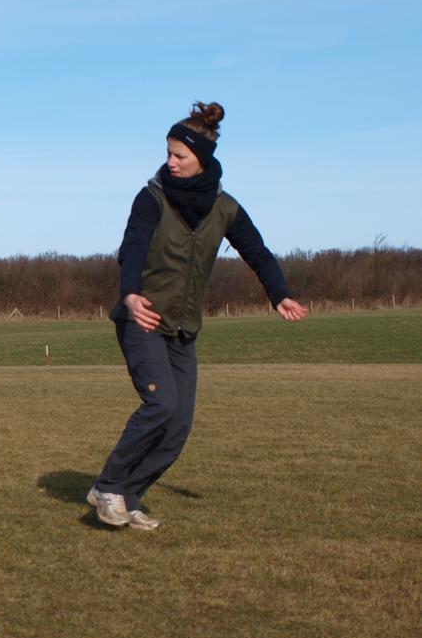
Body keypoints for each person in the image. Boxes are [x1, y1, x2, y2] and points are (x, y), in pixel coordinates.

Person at [88, 101, 308, 529]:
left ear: (202, 160)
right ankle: (107, 487)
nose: (169, 162)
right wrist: (130, 295)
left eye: (179, 155)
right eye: (168, 153)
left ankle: (130, 499)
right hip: (143, 319)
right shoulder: (151, 198)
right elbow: (132, 247)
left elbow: (257, 252)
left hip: (183, 329)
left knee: (178, 427)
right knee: (161, 404)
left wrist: (278, 294)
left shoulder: (224, 207)